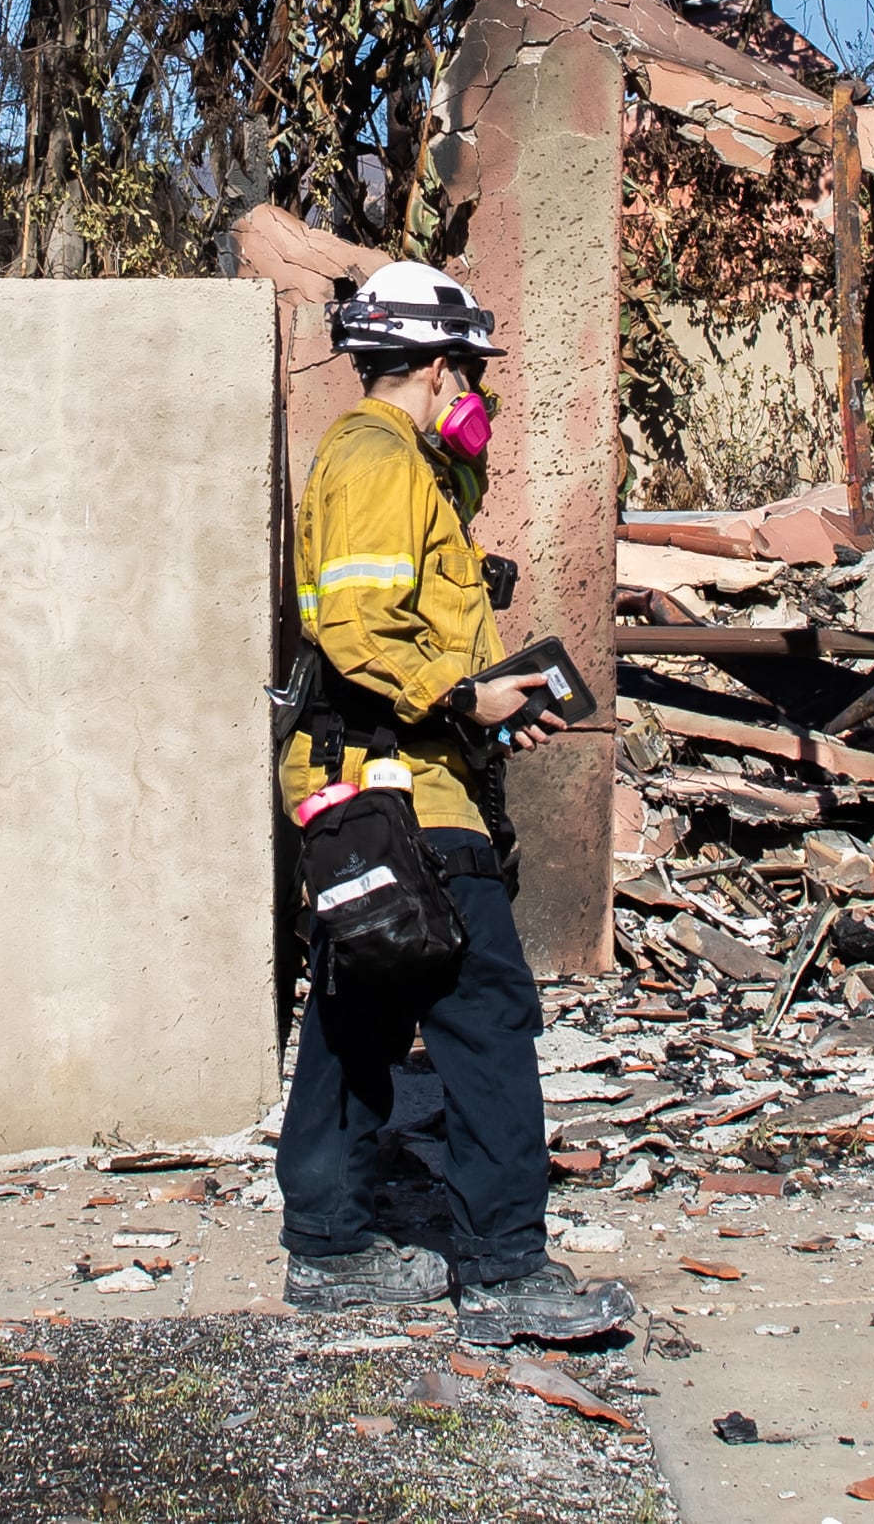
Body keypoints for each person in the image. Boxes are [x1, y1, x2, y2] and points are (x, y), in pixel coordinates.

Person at [271, 260, 635, 1348]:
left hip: (371, 768)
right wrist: (465, 695)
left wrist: (485, 701)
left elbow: (398, 619)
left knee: (363, 1006)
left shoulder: (391, 461)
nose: (476, 392)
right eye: (469, 372)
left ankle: (331, 1243)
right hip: (402, 785)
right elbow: (359, 628)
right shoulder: (381, 457)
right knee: (485, 1014)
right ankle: (505, 1266)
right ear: (440, 364)